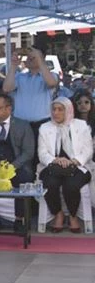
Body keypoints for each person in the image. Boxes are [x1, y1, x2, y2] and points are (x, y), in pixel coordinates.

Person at [37, 97, 93, 233]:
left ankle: (73, 216)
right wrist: (55, 160)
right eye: (54, 109)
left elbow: (88, 150)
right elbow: (42, 152)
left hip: (78, 166)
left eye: (60, 109)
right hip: (52, 166)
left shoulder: (81, 126)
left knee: (71, 185)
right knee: (49, 184)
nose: (56, 113)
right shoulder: (45, 127)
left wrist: (74, 160)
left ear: (68, 110)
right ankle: (58, 214)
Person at [0, 93, 35, 232]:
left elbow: (28, 152)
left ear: (9, 109)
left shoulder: (23, 125)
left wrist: (11, 168)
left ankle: (20, 220)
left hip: (16, 166)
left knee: (23, 179)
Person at [2, 44, 59, 138]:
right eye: (28, 57)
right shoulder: (20, 77)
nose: (28, 59)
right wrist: (13, 66)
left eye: (32, 58)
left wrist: (40, 59)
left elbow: (51, 83)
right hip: (20, 124)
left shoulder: (52, 75)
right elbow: (6, 88)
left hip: (43, 124)